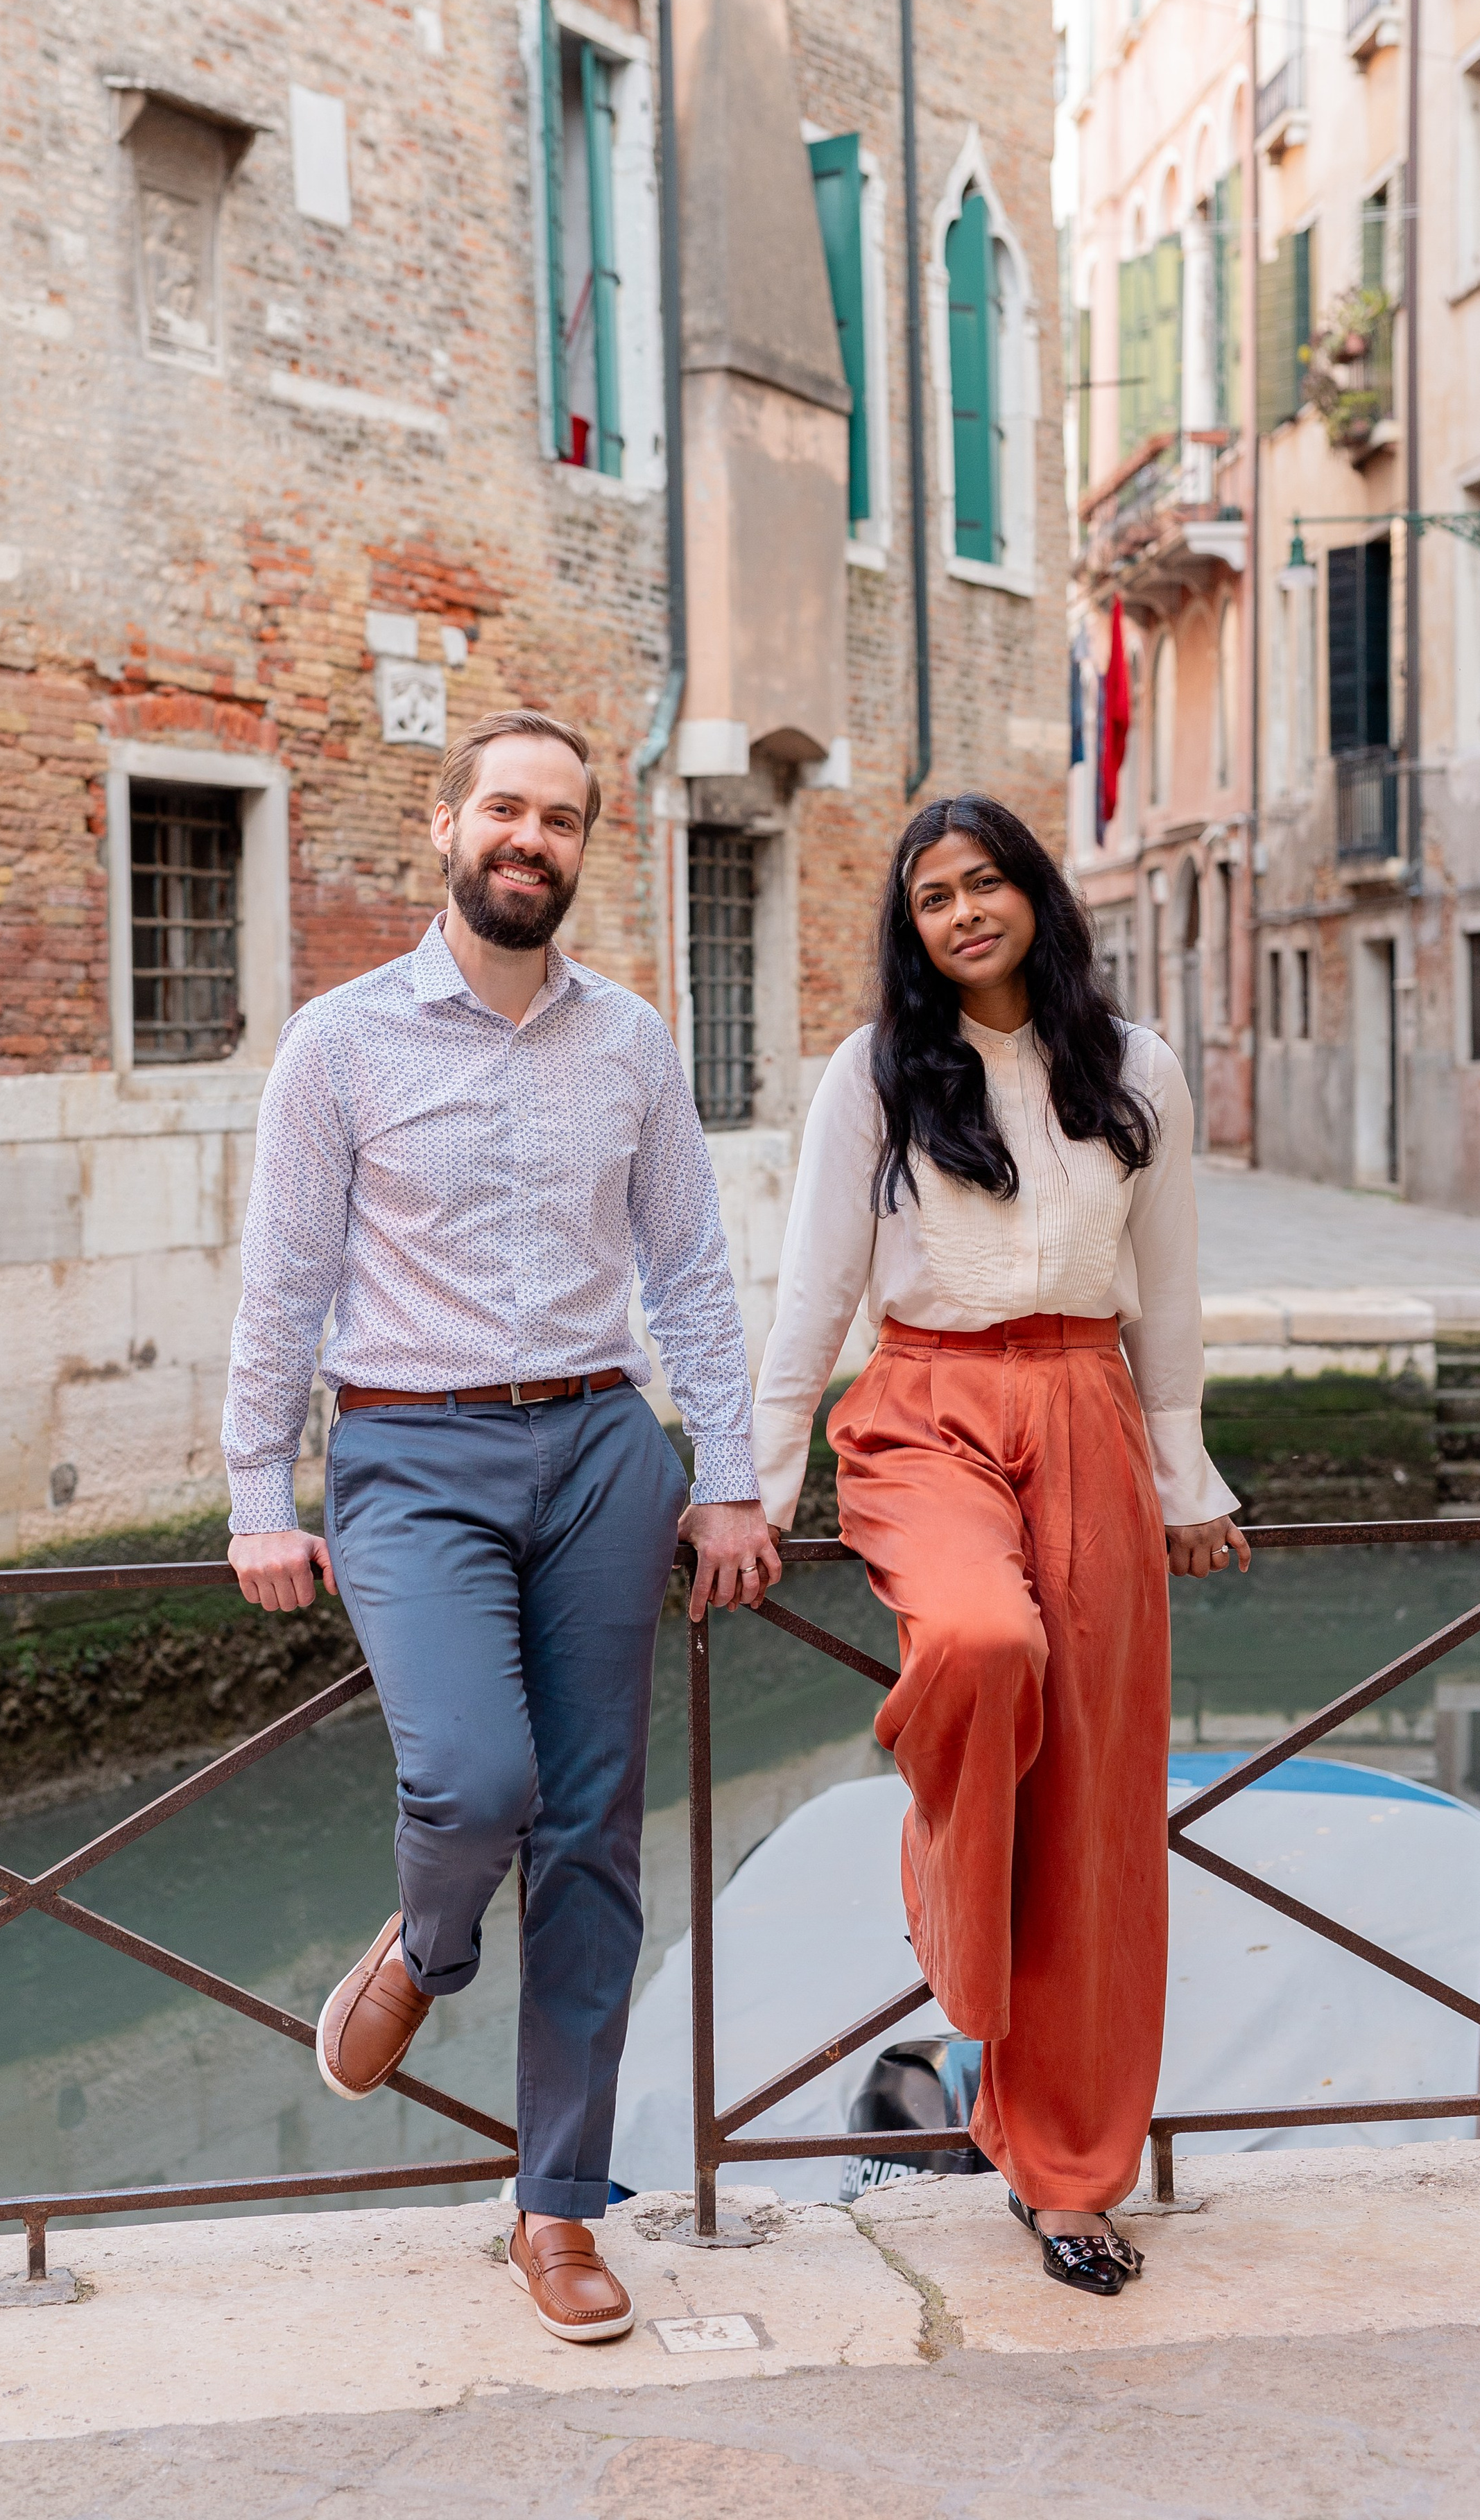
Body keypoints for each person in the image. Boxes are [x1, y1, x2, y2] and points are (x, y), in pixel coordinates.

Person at [222, 709, 781, 2344]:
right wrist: (262, 1494)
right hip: (407, 1458)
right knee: (475, 1781)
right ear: (444, 826)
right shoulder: (335, 1045)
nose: (528, 839)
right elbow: (283, 1287)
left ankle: (557, 2209)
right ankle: (425, 1942)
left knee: (594, 1838)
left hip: (606, 1450)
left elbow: (684, 1267)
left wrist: (728, 1473)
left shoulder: (631, 1042)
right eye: (503, 811)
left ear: (583, 849)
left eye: (561, 819)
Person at [752, 793, 1248, 2297]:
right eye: (931, 899)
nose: (962, 913)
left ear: (1032, 892)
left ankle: (1064, 2175)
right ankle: (945, 1895)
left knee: (1098, 1820)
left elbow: (1167, 1291)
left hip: (1089, 1409)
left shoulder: (1134, 1068)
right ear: (909, 931)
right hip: (924, 1408)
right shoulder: (875, 1075)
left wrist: (1185, 1474)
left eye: (984, 884)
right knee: (978, 1643)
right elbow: (813, 1288)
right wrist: (754, 1489)